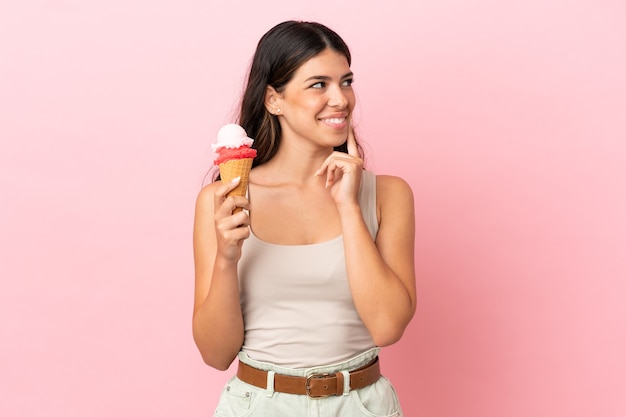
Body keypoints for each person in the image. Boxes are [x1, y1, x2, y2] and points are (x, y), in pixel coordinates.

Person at [192, 20, 416, 416]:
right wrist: (227, 259)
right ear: (273, 99)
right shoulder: (222, 200)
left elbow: (388, 327)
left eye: (346, 82)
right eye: (319, 85)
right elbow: (215, 353)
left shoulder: (387, 195)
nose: (341, 99)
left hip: (360, 405)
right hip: (258, 405)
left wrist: (348, 207)